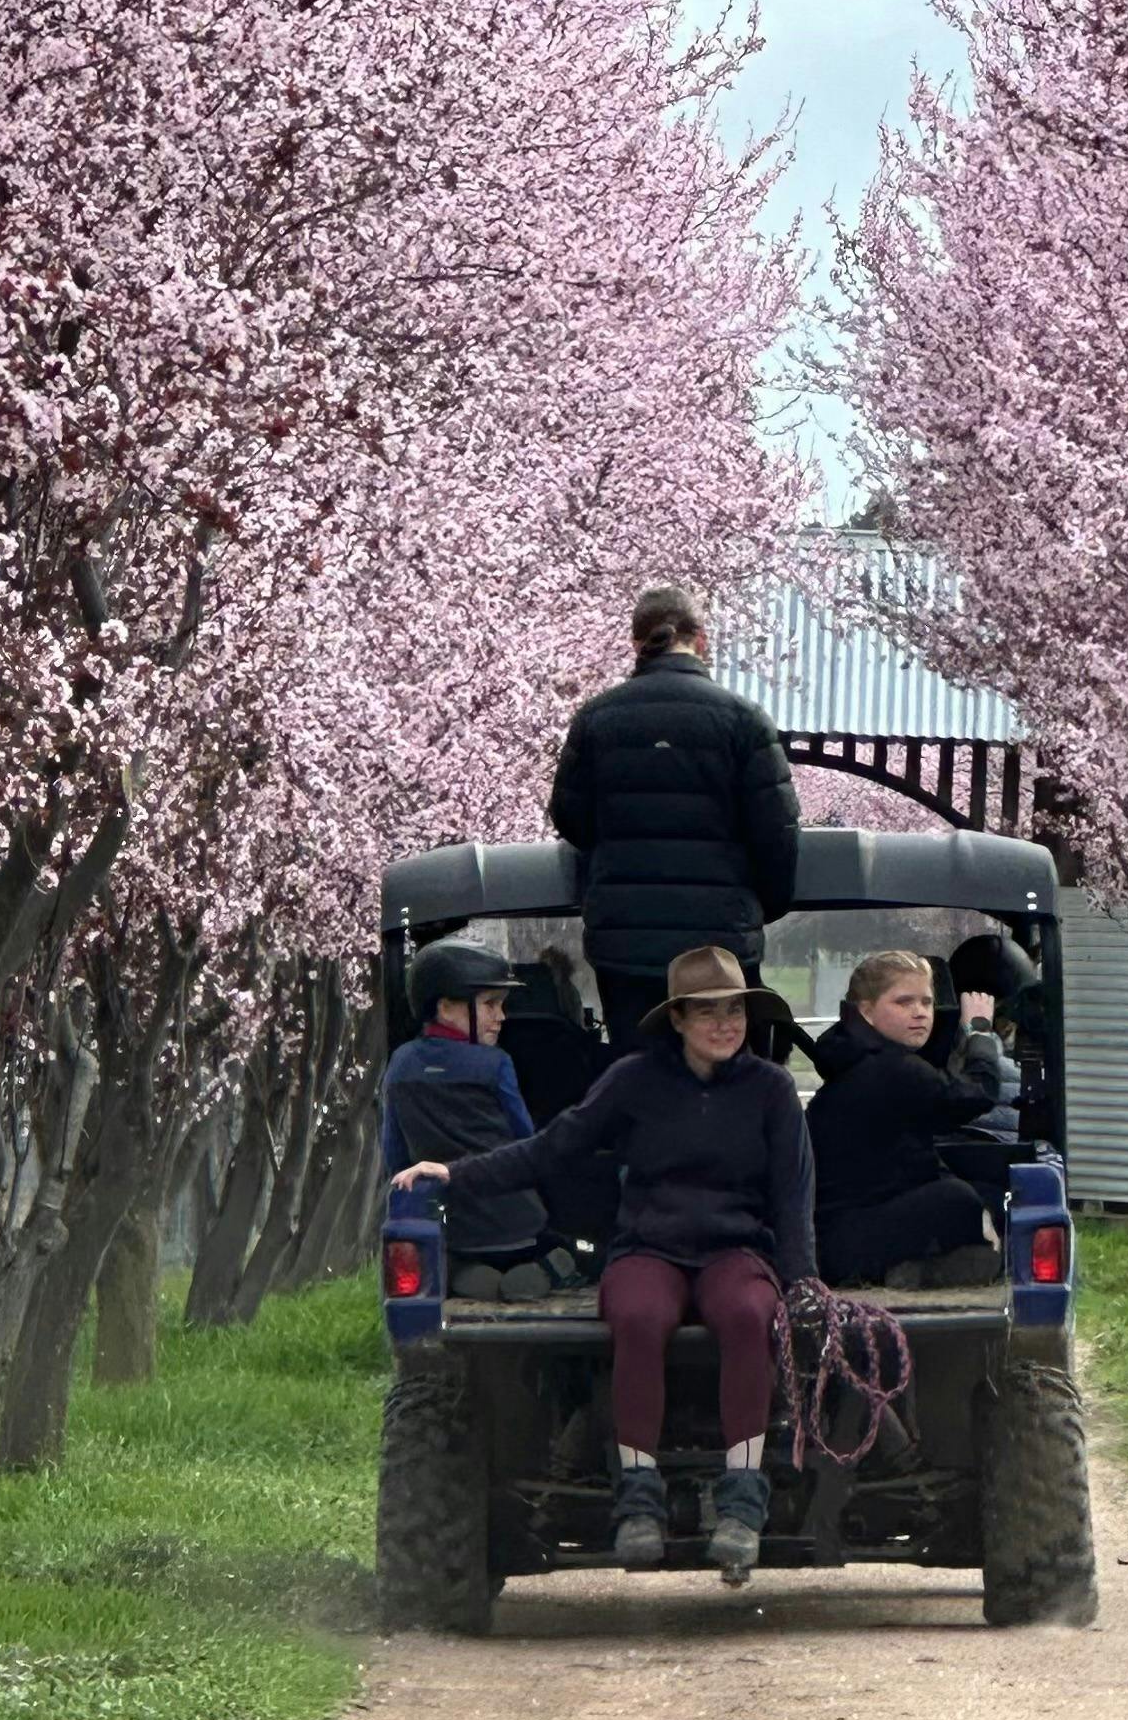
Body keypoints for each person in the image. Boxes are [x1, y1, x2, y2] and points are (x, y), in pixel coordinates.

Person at [392, 947, 815, 1583]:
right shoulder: (635, 1080)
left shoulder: (772, 1089)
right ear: (677, 1019)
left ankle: (742, 1501)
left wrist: (803, 1278)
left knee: (749, 1313)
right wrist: (453, 1174)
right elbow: (552, 1148)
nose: (725, 1024)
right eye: (707, 1012)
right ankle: (638, 1501)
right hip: (651, 1246)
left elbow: (793, 1193)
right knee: (637, 1316)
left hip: (736, 1249)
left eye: (734, 1010)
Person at [549, 584, 801, 1051]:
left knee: (641, 1083)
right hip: (720, 945)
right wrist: (760, 909)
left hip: (626, 944)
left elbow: (571, 818)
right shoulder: (744, 720)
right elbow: (777, 834)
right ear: (702, 640)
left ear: (635, 643)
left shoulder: (597, 719)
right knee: (727, 1079)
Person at [381, 941, 577, 1301]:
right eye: (490, 1005)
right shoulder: (495, 1064)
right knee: (569, 1250)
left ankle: (463, 1274)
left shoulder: (399, 1066)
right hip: (519, 1225)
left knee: (457, 1257)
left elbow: (394, 1153)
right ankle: (544, 1270)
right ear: (445, 1007)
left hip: (457, 1229)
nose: (501, 1017)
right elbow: (526, 1141)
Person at [807, 949, 1009, 1290]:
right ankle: (911, 1275)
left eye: (927, 1003)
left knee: (971, 1192)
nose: (920, 1013)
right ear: (866, 1012)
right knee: (960, 1200)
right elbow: (976, 1094)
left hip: (837, 1235)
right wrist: (979, 1031)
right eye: (903, 1003)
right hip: (846, 1246)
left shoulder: (852, 1057)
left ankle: (913, 1271)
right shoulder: (892, 1068)